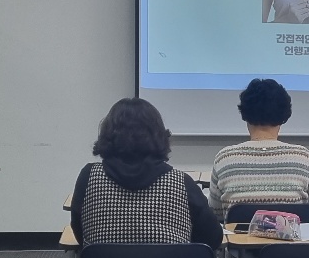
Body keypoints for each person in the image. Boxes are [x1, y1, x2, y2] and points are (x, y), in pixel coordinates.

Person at [70, 97, 223, 249]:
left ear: (107, 135)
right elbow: (212, 238)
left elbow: (80, 232)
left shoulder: (89, 177)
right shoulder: (181, 182)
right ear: (158, 136)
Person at [209, 78, 309, 220]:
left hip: (238, 235)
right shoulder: (303, 157)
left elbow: (216, 214)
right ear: (285, 114)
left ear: (244, 114)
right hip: (289, 235)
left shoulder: (224, 158)